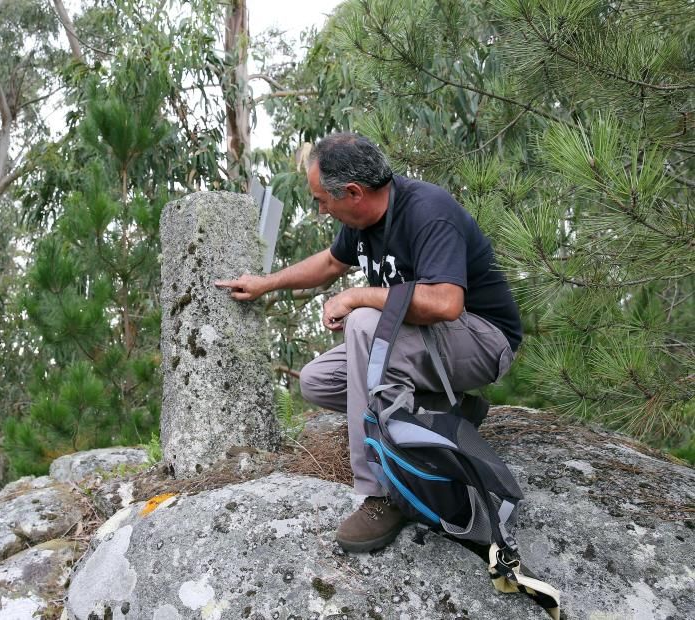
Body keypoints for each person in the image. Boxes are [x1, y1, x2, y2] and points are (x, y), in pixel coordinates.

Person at [216, 132, 521, 553]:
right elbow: (328, 263)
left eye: (323, 200)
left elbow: (446, 303)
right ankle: (437, 409)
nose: (322, 210)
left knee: (362, 322)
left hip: (482, 340)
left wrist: (358, 295)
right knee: (317, 380)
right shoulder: (360, 225)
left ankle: (380, 493)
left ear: (355, 193)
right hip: (429, 343)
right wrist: (265, 284)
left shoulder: (427, 211)